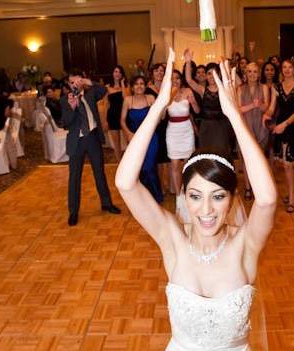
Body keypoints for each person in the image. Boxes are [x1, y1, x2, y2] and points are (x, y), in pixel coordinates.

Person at [115, 49, 277, 351]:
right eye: (195, 196)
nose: (206, 210)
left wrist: (234, 116)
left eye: (218, 196)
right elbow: (125, 182)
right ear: (184, 198)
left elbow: (266, 200)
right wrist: (158, 107)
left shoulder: (246, 244)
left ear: (231, 200)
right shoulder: (171, 239)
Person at [61, 68, 121, 226]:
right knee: (75, 177)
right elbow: (65, 123)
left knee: (99, 172)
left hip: (93, 138)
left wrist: (88, 82)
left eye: (78, 80)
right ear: (68, 83)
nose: (76, 84)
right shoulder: (65, 100)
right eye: (72, 82)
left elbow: (103, 90)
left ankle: (106, 203)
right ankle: (73, 212)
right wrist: (72, 107)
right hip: (77, 141)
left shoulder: (90, 93)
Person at [270, 60, 294, 213]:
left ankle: (291, 197)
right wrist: (266, 115)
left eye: (290, 67)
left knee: (287, 164)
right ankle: (292, 193)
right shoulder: (276, 87)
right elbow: (272, 107)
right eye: (284, 67)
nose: (287, 70)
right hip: (280, 125)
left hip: (293, 126)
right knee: (286, 164)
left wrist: (283, 125)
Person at [120, 75, 163, 203]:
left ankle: (156, 196)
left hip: (151, 138)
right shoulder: (128, 100)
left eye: (142, 84)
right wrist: (128, 133)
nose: (139, 86)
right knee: (140, 167)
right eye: (136, 84)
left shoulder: (150, 98)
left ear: (145, 86)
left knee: (149, 166)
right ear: (132, 87)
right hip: (135, 139)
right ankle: (144, 196)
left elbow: (158, 118)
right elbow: (122, 121)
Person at [184, 49, 234, 154]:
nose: (212, 76)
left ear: (219, 75)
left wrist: (226, 67)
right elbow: (189, 80)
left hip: (221, 127)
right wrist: (188, 62)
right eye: (209, 73)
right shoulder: (202, 90)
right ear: (206, 76)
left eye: (215, 73)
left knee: (221, 153)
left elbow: (234, 82)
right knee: (206, 154)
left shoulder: (224, 90)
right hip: (206, 126)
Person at [166, 69, 199, 207]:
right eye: (172, 78)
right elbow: (162, 116)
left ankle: (187, 192)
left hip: (186, 130)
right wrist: (166, 101)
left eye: (178, 78)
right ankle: (179, 196)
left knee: (187, 164)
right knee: (174, 164)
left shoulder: (188, 91)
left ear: (181, 79)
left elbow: (197, 111)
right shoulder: (166, 94)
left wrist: (193, 103)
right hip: (172, 131)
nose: (175, 80)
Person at [238, 62, 270, 200]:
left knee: (260, 159)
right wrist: (252, 105)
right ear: (245, 73)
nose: (252, 74)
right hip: (245, 127)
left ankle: (259, 187)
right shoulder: (240, 89)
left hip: (260, 126)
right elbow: (238, 109)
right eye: (249, 71)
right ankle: (247, 187)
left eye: (255, 71)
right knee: (245, 160)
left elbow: (266, 109)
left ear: (259, 73)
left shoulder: (264, 88)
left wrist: (260, 105)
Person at [146, 63, 171, 191]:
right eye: (157, 71)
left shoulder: (168, 87)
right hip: (156, 125)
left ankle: (168, 183)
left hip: (169, 122)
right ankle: (160, 184)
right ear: (152, 73)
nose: (160, 73)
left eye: (162, 71)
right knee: (159, 156)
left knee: (168, 155)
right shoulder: (148, 89)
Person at [105, 65, 129, 162]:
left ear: (122, 74)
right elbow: (106, 104)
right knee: (116, 143)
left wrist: (122, 84)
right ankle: (120, 163)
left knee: (128, 141)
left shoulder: (127, 86)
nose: (117, 73)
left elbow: (126, 98)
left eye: (119, 72)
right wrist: (106, 120)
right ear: (112, 73)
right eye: (115, 71)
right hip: (112, 116)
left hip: (124, 116)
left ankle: (128, 162)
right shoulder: (107, 87)